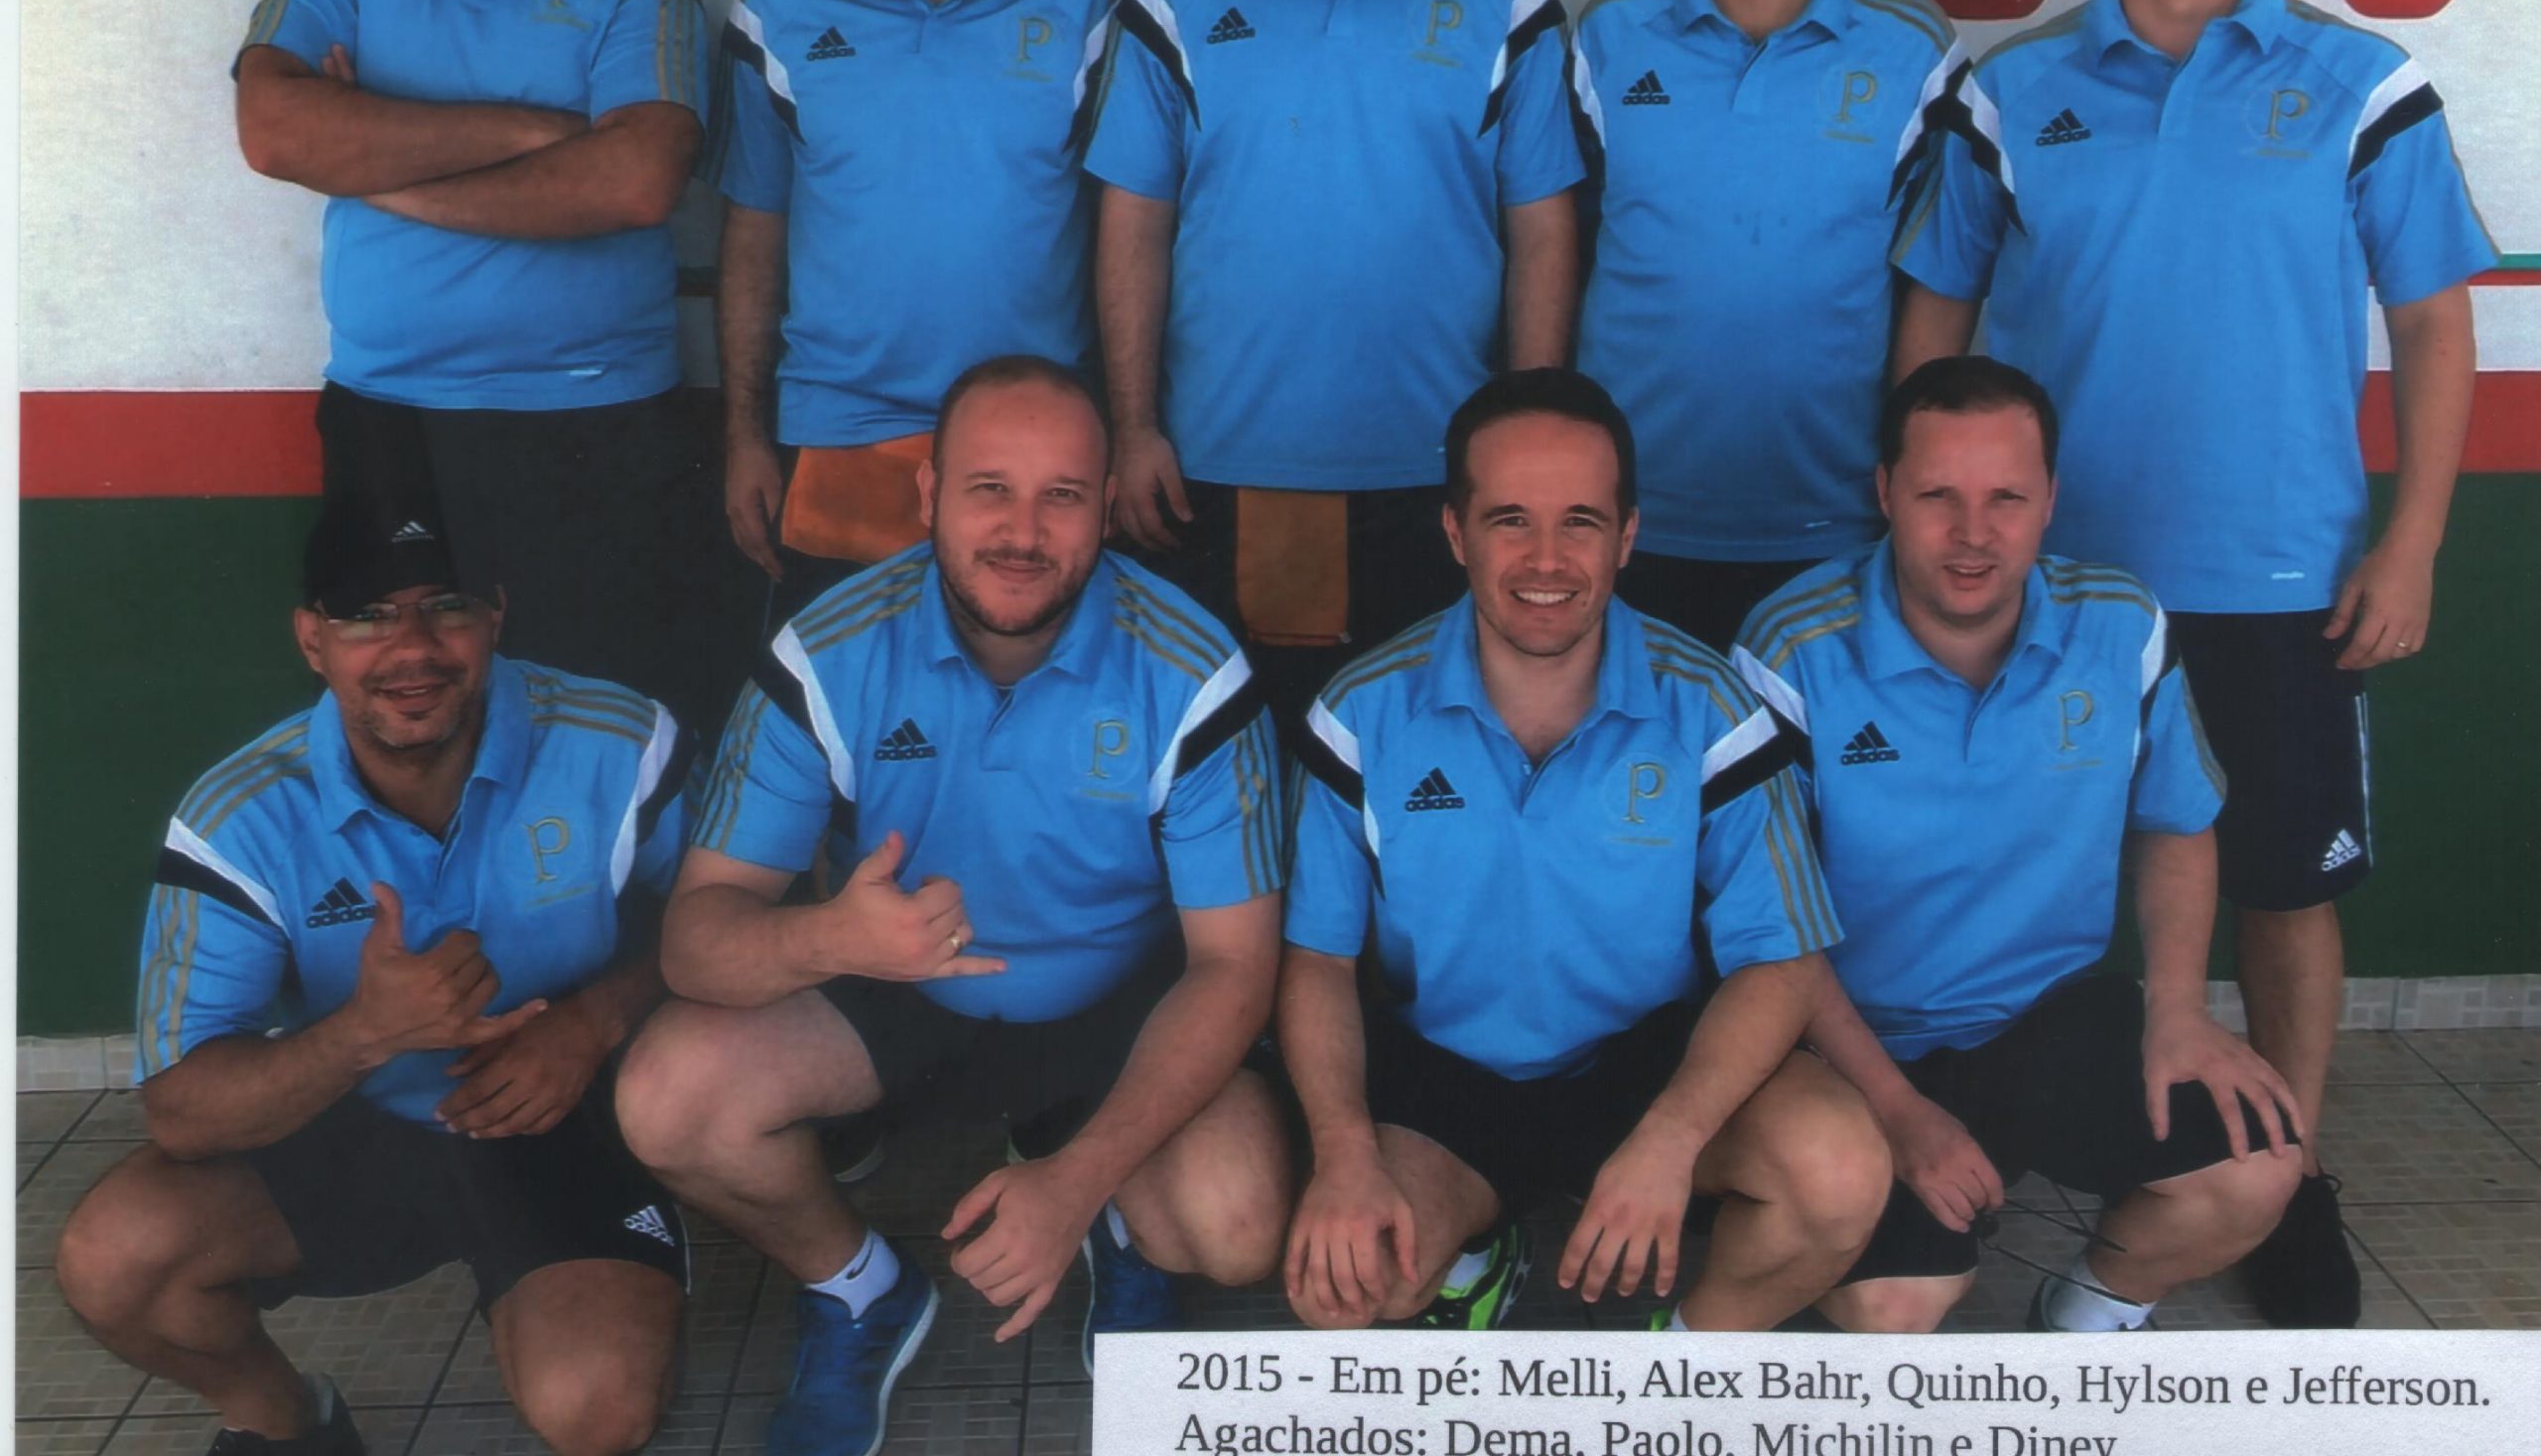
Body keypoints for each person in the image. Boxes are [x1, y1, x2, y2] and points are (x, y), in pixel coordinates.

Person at [1888, 0, 2496, 1325]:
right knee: (2018, 882)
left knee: (2284, 893)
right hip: (2047, 587)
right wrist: (1916, 525)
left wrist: (2414, 543)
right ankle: (1991, 1149)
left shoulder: (2361, 85)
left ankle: (2284, 1177)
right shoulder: (2013, 89)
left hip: (2281, 579)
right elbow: (1935, 314)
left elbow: (2434, 325)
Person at [614, 356, 1287, 1456]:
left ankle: (1117, 1222)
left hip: (1117, 1003)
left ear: (1105, 504)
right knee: (668, 1096)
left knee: (1238, 1225)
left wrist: (1076, 1184)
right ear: (928, 493)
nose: (1023, 531)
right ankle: (858, 1289)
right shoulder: (827, 652)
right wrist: (831, 936)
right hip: (897, 980)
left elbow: (1235, 967)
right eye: (989, 490)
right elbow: (698, 937)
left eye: (1061, 495)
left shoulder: (1191, 667)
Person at [55, 464, 691, 1456]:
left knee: (596, 1408)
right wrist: (367, 1032)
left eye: (447, 606)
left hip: (561, 1119)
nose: (413, 647)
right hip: (366, 1133)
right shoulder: (239, 815)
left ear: (495, 616)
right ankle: (290, 1425)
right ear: (312, 639)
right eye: (367, 616)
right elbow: (181, 1110)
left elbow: (723, 919)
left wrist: (591, 1021)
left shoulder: (618, 740)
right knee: (116, 1256)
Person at [1278, 368, 1887, 1332]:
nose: (1546, 559)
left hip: (1643, 1068)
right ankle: (1479, 1245)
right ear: (1455, 533)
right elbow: (1314, 960)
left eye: (1581, 522)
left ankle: (1676, 1367)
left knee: (1838, 1171)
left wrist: (1671, 1139)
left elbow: (1781, 958)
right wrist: (1345, 1156)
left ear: (1627, 536)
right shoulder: (1360, 712)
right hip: (1443, 1077)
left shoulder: (1712, 710)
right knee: (1345, 1283)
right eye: (1510, 520)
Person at [1735, 355, 2302, 1332]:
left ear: (2050, 501)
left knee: (2260, 1166)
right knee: (1889, 1307)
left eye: (2006, 497)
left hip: (2047, 1019)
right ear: (1885, 493)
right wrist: (1899, 1113)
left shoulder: (2119, 625)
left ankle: (2084, 1320)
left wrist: (2176, 1012)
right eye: (1938, 497)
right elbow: (1766, 919)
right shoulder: (1792, 648)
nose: (1973, 533)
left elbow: (2175, 824)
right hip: (1855, 1042)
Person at [1089, 0, 1583, 731]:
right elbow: (1134, 223)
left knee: (1418, 768)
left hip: (1441, 481)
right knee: (1235, 770)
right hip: (1220, 474)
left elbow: (1542, 234)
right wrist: (1132, 427)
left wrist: (1526, 458)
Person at [232, 0, 713, 726]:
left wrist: (378, 164)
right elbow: (275, 128)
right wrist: (532, 131)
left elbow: (637, 179)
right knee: (412, 736)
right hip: (391, 416)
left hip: (599, 416)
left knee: (605, 737)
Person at [715, 0, 1119, 626]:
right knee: (846, 707)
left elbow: (1127, 244)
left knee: (1029, 702)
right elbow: (751, 237)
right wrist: (743, 435)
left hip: (1033, 455)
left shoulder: (1085, 6)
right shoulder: (778, 6)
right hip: (842, 438)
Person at [1574, 0, 1962, 654]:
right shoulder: (1608, 37)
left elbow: (1937, 294)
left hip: (1837, 536)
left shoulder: (1916, 49)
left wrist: (1910, 497)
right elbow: (1555, 253)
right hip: (1625, 534)